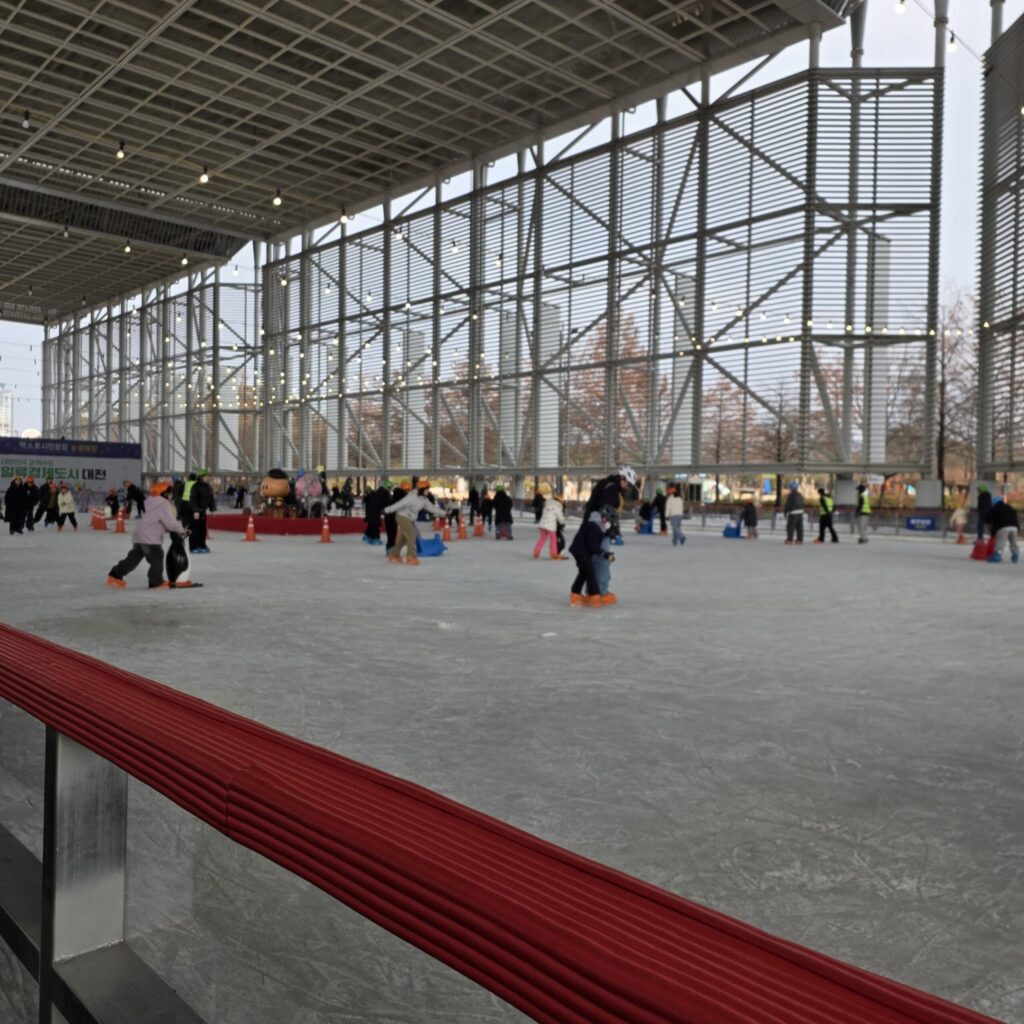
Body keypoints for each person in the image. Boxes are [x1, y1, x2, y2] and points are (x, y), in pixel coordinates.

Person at [107, 480, 189, 589]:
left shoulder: (151, 503)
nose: (171, 495)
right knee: (157, 556)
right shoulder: (163, 503)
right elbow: (170, 522)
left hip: (139, 534)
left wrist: (173, 530)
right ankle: (156, 581)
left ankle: (115, 575)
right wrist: (182, 530)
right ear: (164, 493)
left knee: (133, 559)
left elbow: (159, 521)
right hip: (149, 537)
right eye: (170, 492)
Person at [383, 479, 445, 565]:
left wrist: (444, 513)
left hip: (409, 519)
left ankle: (393, 554)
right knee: (412, 535)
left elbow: (432, 508)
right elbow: (400, 504)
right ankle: (410, 557)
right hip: (402, 516)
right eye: (427, 489)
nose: (428, 491)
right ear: (422, 489)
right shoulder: (411, 497)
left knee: (405, 539)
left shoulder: (424, 500)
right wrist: (387, 510)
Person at [569, 505, 613, 607]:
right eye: (608, 521)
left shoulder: (593, 525)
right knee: (590, 573)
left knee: (583, 573)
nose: (608, 524)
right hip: (581, 551)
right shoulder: (595, 527)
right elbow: (592, 544)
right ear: (604, 518)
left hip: (579, 551)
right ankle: (594, 596)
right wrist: (604, 554)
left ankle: (575, 594)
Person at [585, 465, 639, 544]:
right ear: (622, 478)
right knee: (601, 550)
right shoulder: (612, 489)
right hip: (597, 527)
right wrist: (611, 531)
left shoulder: (607, 483)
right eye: (629, 484)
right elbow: (605, 511)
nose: (628, 488)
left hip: (592, 524)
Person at [533, 487, 566, 559]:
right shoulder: (558, 506)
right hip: (550, 526)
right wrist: (563, 522)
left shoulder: (547, 504)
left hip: (542, 524)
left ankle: (536, 551)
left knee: (542, 538)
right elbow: (560, 516)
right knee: (553, 539)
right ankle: (554, 554)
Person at [986, 496, 1020, 563]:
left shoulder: (995, 508)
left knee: (1000, 542)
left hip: (1003, 527)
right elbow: (1015, 519)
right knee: (1013, 542)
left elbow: (990, 519)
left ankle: (997, 555)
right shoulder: (1011, 508)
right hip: (1014, 527)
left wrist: (992, 533)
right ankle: (1015, 555)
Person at [188, 471, 216, 553]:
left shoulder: (208, 487)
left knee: (202, 530)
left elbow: (211, 498)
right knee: (195, 530)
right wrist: (195, 511)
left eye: (208, 476)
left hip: (203, 511)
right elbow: (193, 499)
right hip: (195, 512)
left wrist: (212, 509)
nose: (208, 478)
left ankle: (202, 545)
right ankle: (194, 547)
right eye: (206, 476)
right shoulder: (195, 487)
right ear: (201, 477)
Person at [362, 479, 390, 545]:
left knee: (371, 524)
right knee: (375, 525)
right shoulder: (385, 493)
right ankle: (375, 539)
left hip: (371, 511)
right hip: (375, 512)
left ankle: (367, 536)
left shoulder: (377, 492)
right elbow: (388, 503)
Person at [384, 480, 408, 553]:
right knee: (393, 535)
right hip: (392, 520)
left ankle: (390, 549)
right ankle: (391, 550)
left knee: (391, 535)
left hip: (390, 520)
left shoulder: (392, 501)